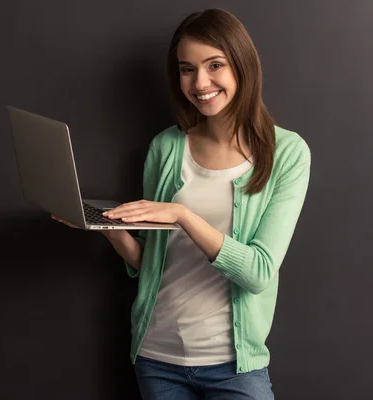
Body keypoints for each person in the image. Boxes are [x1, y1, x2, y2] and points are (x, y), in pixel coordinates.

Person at [52, 8, 310, 400]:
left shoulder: (287, 153)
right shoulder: (166, 147)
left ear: (243, 65)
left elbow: (258, 272)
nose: (200, 82)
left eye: (214, 65)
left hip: (233, 367)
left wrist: (182, 215)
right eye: (186, 69)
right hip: (157, 358)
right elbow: (151, 263)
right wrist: (105, 226)